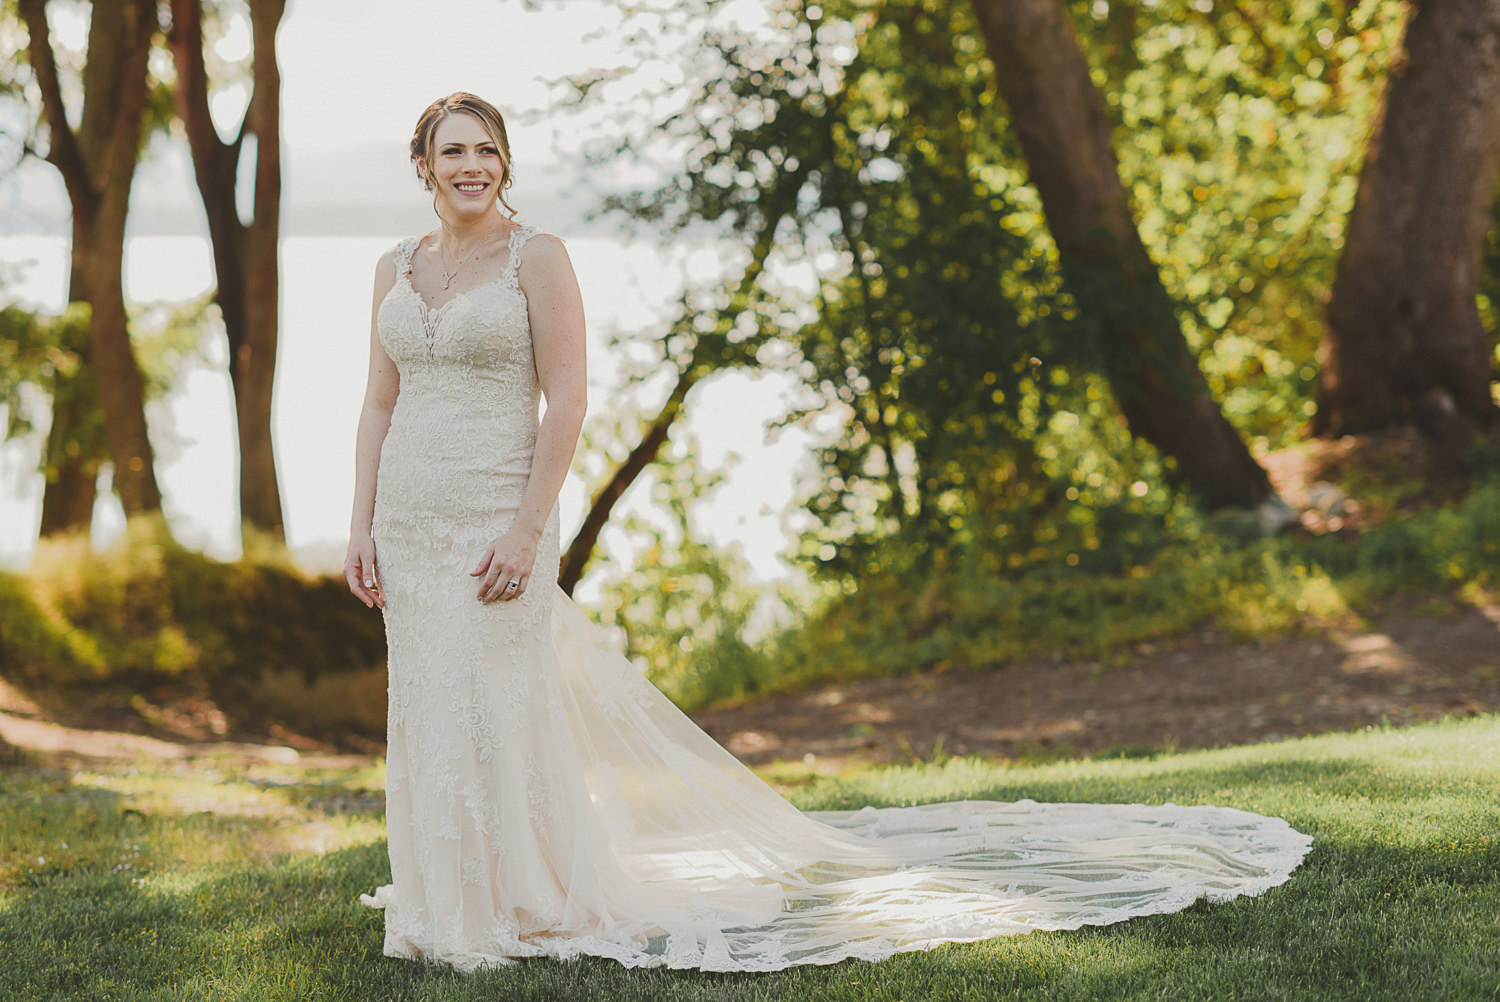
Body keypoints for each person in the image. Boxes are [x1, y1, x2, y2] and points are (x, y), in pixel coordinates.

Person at [343, 92, 1313, 974]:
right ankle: (441, 897)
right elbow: (378, 405)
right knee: (430, 704)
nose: (473, 165)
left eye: (488, 149)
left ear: (504, 164)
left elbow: (569, 403)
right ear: (423, 166)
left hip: (496, 515)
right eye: (453, 151)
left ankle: (520, 899)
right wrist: (360, 525)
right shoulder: (398, 264)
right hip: (410, 520)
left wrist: (525, 529)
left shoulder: (537, 257)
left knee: (491, 702)